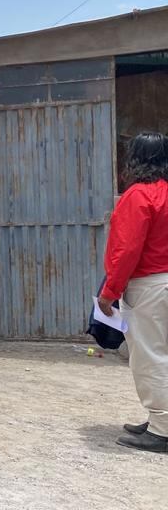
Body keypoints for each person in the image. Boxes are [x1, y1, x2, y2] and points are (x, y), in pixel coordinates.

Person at [98, 132, 168, 454]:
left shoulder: (138, 195)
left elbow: (127, 250)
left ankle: (162, 427)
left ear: (134, 158)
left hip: (149, 286)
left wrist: (110, 291)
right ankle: (159, 420)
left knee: (149, 356)